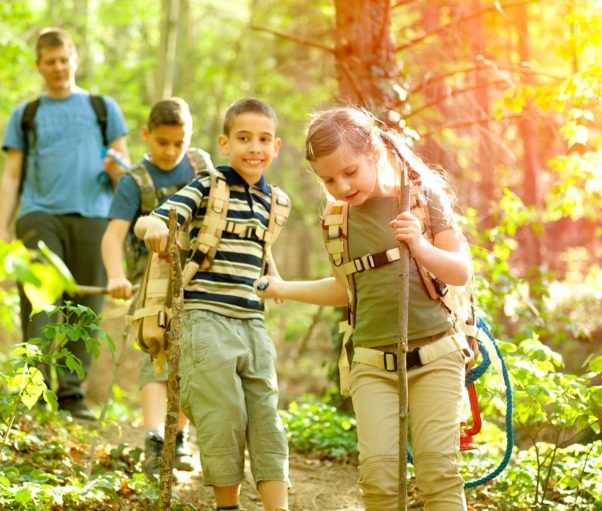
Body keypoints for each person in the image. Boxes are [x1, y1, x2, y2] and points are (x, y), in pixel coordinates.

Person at [255, 106, 473, 510]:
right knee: (378, 479)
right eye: (329, 179)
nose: (341, 185)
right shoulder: (337, 220)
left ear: (373, 150)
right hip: (372, 361)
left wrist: (420, 247)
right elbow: (346, 290)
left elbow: (460, 271)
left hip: (436, 355)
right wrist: (283, 287)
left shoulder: (421, 196)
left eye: (350, 172)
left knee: (438, 473)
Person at [134, 98, 290, 511]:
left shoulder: (276, 201)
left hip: (253, 322)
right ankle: (228, 506)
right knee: (223, 415)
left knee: (266, 417)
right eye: (243, 138)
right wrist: (153, 228)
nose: (254, 147)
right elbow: (158, 217)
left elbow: (263, 252)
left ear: (276, 147)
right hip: (206, 317)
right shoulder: (209, 185)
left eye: (263, 139)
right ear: (224, 143)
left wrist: (278, 282)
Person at [0, 27, 130, 421]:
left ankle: (72, 394)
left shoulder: (103, 108)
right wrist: (1, 227)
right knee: (40, 302)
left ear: (75, 60)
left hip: (94, 217)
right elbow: (11, 175)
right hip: (39, 214)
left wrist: (114, 167)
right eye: (49, 62)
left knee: (85, 306)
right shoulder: (26, 114)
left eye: (63, 59)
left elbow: (124, 169)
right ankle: (32, 393)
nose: (57, 67)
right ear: (39, 66)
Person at [101, 97, 205, 479]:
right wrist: (116, 275)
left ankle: (179, 438)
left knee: (187, 360)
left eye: (179, 142)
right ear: (146, 136)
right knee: (155, 354)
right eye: (162, 142)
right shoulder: (135, 181)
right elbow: (112, 237)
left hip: (196, 279)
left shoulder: (201, 168)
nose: (171, 151)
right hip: (150, 284)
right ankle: (154, 438)